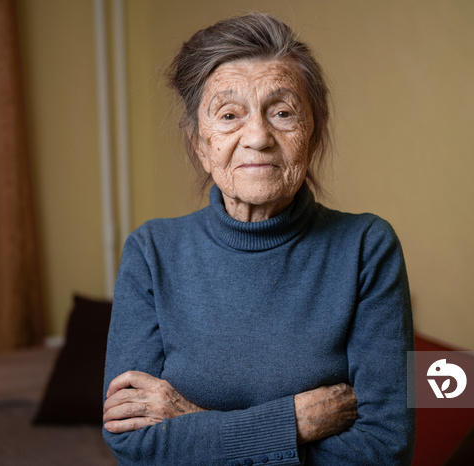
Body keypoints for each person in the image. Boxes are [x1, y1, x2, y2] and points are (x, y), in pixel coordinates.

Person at [102, 12, 415, 465]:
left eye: (282, 112)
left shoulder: (366, 247)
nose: (257, 137)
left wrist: (193, 422)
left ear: (313, 134)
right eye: (229, 115)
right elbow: (133, 445)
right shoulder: (152, 252)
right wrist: (292, 423)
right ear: (199, 145)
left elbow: (385, 449)